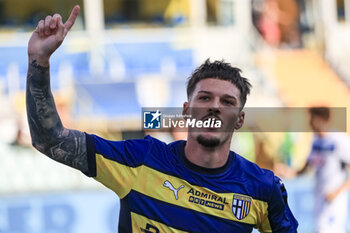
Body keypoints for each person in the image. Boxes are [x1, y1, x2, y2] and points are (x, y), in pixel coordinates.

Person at [26, 5, 298, 232]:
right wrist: (39, 60)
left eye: (227, 102)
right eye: (204, 98)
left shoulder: (262, 188)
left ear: (239, 120)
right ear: (185, 111)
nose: (214, 107)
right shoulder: (141, 161)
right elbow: (50, 140)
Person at [277, 107, 350, 233]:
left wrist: (337, 192)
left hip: (334, 202)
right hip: (320, 199)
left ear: (320, 120)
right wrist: (288, 172)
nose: (309, 123)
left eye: (311, 118)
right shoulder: (316, 141)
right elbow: (306, 168)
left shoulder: (339, 141)